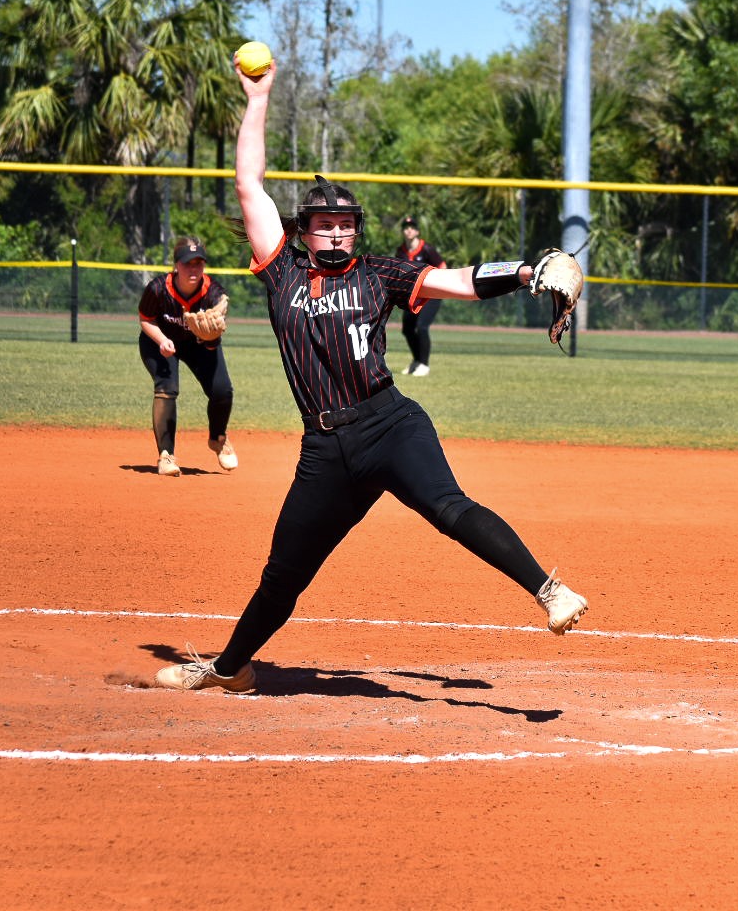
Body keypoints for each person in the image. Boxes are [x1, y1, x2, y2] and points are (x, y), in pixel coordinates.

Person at [154, 55, 589, 693]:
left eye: (346, 225)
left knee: (448, 507)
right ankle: (228, 668)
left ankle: (550, 591)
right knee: (284, 574)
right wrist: (259, 97)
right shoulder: (279, 271)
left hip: (391, 425)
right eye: (324, 226)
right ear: (302, 231)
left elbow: (458, 280)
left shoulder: (377, 273)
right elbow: (250, 184)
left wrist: (526, 272)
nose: (335, 234)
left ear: (357, 232)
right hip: (326, 450)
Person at [137, 236, 237, 477]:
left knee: (222, 391)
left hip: (198, 345)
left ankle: (218, 438)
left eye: (198, 263)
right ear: (176, 265)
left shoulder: (213, 293)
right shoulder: (158, 288)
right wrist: (161, 340)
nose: (193, 268)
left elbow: (214, 335)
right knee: (167, 388)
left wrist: (211, 336)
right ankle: (166, 456)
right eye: (187, 263)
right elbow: (145, 319)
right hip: (160, 342)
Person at [394, 215, 445, 376]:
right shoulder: (400, 251)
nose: (408, 230)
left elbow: (442, 267)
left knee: (422, 327)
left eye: (412, 227)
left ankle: (424, 364)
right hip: (412, 296)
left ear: (417, 231)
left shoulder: (426, 249)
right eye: (406, 227)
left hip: (431, 294)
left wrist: (438, 285)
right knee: (407, 329)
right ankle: (416, 361)